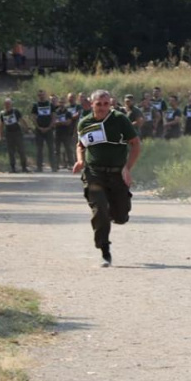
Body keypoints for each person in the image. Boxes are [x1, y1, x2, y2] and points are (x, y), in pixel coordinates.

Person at [73, 89, 141, 267]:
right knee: (100, 209)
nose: (102, 108)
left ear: (110, 103)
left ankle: (111, 214)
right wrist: (80, 161)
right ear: (91, 104)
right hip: (94, 173)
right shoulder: (84, 122)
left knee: (121, 216)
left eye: (106, 104)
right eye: (98, 104)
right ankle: (104, 249)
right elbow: (80, 145)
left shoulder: (120, 120)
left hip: (117, 173)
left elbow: (135, 144)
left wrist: (127, 168)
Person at [0, 98, 29, 173]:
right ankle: (13, 168)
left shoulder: (15, 111)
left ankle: (24, 167)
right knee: (11, 152)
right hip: (9, 134)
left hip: (17, 133)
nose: (7, 105)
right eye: (6, 104)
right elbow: (0, 125)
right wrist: (0, 136)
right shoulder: (2, 113)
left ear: (11, 104)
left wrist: (26, 128)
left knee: (21, 150)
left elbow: (22, 120)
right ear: (4, 105)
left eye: (8, 104)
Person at [30, 89, 57, 172]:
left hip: (49, 129)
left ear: (45, 95)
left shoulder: (50, 105)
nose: (41, 96)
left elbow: (53, 116)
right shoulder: (36, 105)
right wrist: (38, 127)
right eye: (39, 95)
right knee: (39, 149)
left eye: (42, 95)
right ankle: (39, 167)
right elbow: (33, 117)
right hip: (39, 130)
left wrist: (49, 127)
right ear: (38, 96)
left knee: (51, 148)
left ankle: (53, 167)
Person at [54, 96, 75, 169]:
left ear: (65, 103)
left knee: (68, 149)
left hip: (66, 133)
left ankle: (71, 164)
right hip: (58, 133)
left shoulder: (68, 112)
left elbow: (68, 122)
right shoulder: (56, 112)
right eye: (60, 102)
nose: (61, 104)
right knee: (56, 150)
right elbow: (54, 122)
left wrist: (60, 122)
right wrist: (62, 122)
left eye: (62, 102)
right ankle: (56, 165)